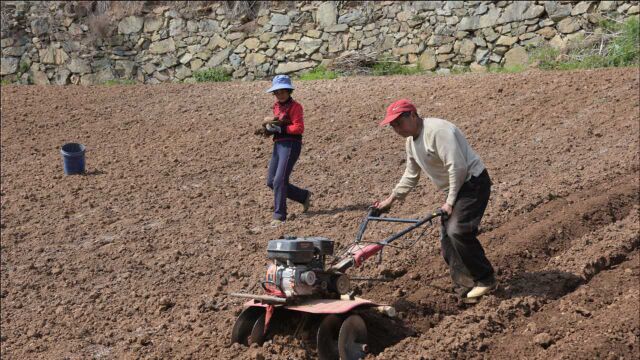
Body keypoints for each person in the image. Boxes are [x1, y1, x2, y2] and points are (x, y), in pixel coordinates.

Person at [375, 99, 496, 302]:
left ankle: (486, 279)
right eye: (393, 126)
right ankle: (465, 290)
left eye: (399, 122)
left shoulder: (438, 131)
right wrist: (391, 199)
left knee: (458, 230)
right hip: (457, 187)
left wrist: (449, 202)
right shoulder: (411, 142)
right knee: (447, 242)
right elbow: (411, 174)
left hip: (473, 182)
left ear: (413, 115)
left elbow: (457, 167)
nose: (397, 129)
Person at [260, 75, 311, 227]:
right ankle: (303, 196)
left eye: (283, 91)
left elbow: (299, 127)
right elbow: (277, 123)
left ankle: (279, 216)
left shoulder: (296, 107)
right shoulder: (276, 106)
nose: (280, 94)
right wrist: (270, 129)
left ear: (289, 91)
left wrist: (281, 128)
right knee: (271, 182)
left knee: (280, 180)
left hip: (291, 144)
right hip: (279, 144)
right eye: (277, 92)